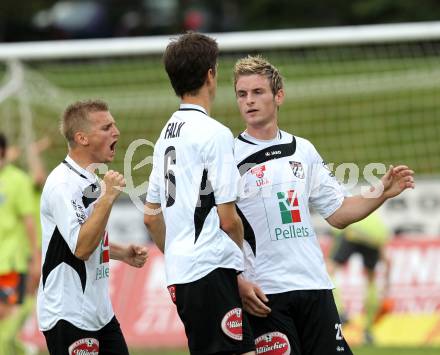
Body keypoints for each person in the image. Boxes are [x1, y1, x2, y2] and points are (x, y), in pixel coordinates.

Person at [232, 55, 415, 355]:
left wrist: (381, 191)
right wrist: (238, 280)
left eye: (258, 92)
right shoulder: (229, 156)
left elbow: (339, 212)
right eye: (242, 94)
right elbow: (219, 226)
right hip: (266, 294)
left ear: (279, 96)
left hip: (315, 286)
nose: (249, 101)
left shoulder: (303, 150)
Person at [144, 32, 255, 355]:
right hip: (210, 270)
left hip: (181, 274)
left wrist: (180, 257)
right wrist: (240, 267)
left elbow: (151, 217)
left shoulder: (166, 134)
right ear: (210, 74)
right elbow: (228, 219)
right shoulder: (214, 133)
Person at [37, 99, 148, 355]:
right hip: (69, 314)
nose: (116, 132)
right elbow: (81, 248)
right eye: (106, 127)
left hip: (99, 313)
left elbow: (84, 235)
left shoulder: (90, 180)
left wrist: (121, 253)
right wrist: (108, 197)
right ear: (82, 138)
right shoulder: (62, 185)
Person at [0, 132, 40, 355]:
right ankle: (22, 348)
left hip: (10, 260)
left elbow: (29, 222)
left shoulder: (18, 180)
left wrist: (35, 257)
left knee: (4, 314)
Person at [329, 210, 391, 344]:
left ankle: (340, 313)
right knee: (371, 279)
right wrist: (387, 284)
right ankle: (368, 330)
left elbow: (337, 230)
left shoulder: (340, 212)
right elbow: (386, 259)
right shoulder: (376, 218)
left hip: (351, 229)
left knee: (330, 271)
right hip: (375, 236)